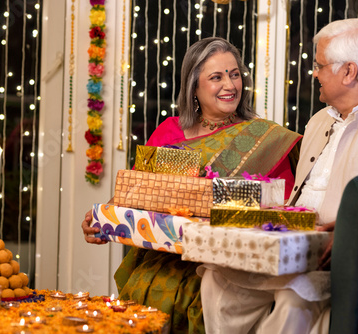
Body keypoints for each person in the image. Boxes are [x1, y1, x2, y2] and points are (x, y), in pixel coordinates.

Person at [199, 19, 358, 334]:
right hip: (290, 247)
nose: (314, 73)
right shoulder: (317, 122)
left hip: (343, 258)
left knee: (293, 298)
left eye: (320, 65)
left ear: (348, 71)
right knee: (218, 279)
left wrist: (350, 232)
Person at [81, 37, 302, 333]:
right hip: (164, 256)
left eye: (234, 74)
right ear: (194, 87)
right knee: (146, 288)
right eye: (216, 77)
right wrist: (102, 219)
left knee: (193, 297)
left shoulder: (265, 139)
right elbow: (136, 190)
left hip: (225, 261)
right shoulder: (170, 131)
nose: (230, 85)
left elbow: (282, 209)